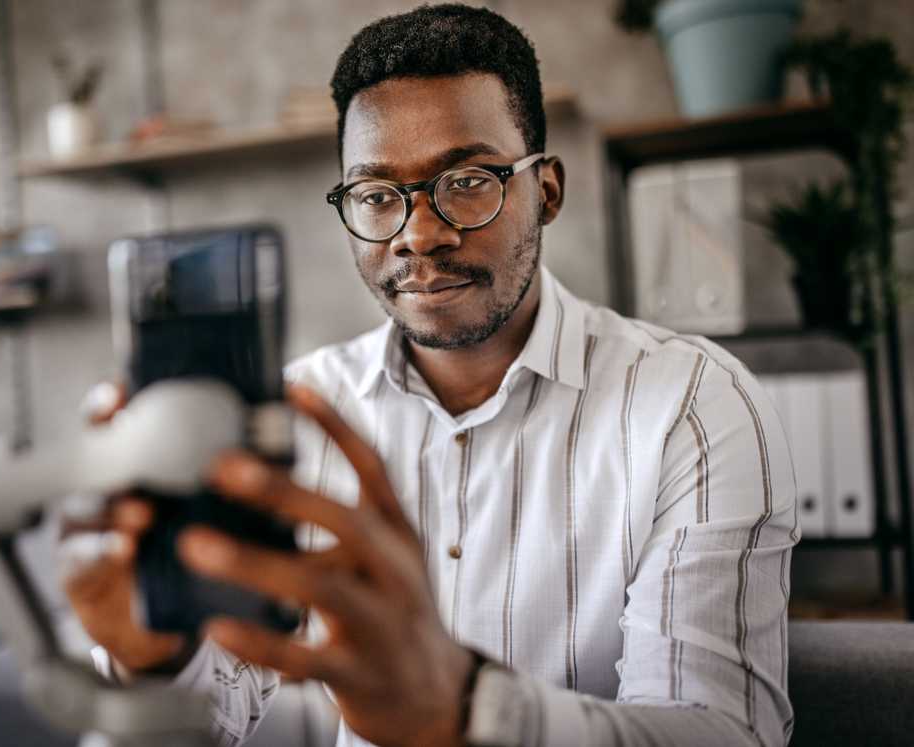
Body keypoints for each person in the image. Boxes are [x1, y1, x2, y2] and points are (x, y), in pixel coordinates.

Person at [64, 5, 798, 746]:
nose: (419, 234)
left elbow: (723, 734)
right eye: (378, 197)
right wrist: (156, 660)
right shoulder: (298, 414)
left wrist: (463, 709)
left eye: (469, 180)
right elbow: (214, 712)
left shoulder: (693, 407)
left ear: (546, 190)